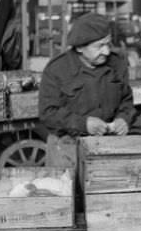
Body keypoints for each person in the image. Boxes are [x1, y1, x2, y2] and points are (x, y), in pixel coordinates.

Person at [39, 12, 135, 164]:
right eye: (100, 46)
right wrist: (83, 124)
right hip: (67, 151)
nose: (107, 51)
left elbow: (127, 101)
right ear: (79, 48)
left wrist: (124, 119)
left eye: (108, 44)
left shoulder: (117, 64)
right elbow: (48, 113)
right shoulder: (57, 69)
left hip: (107, 148)